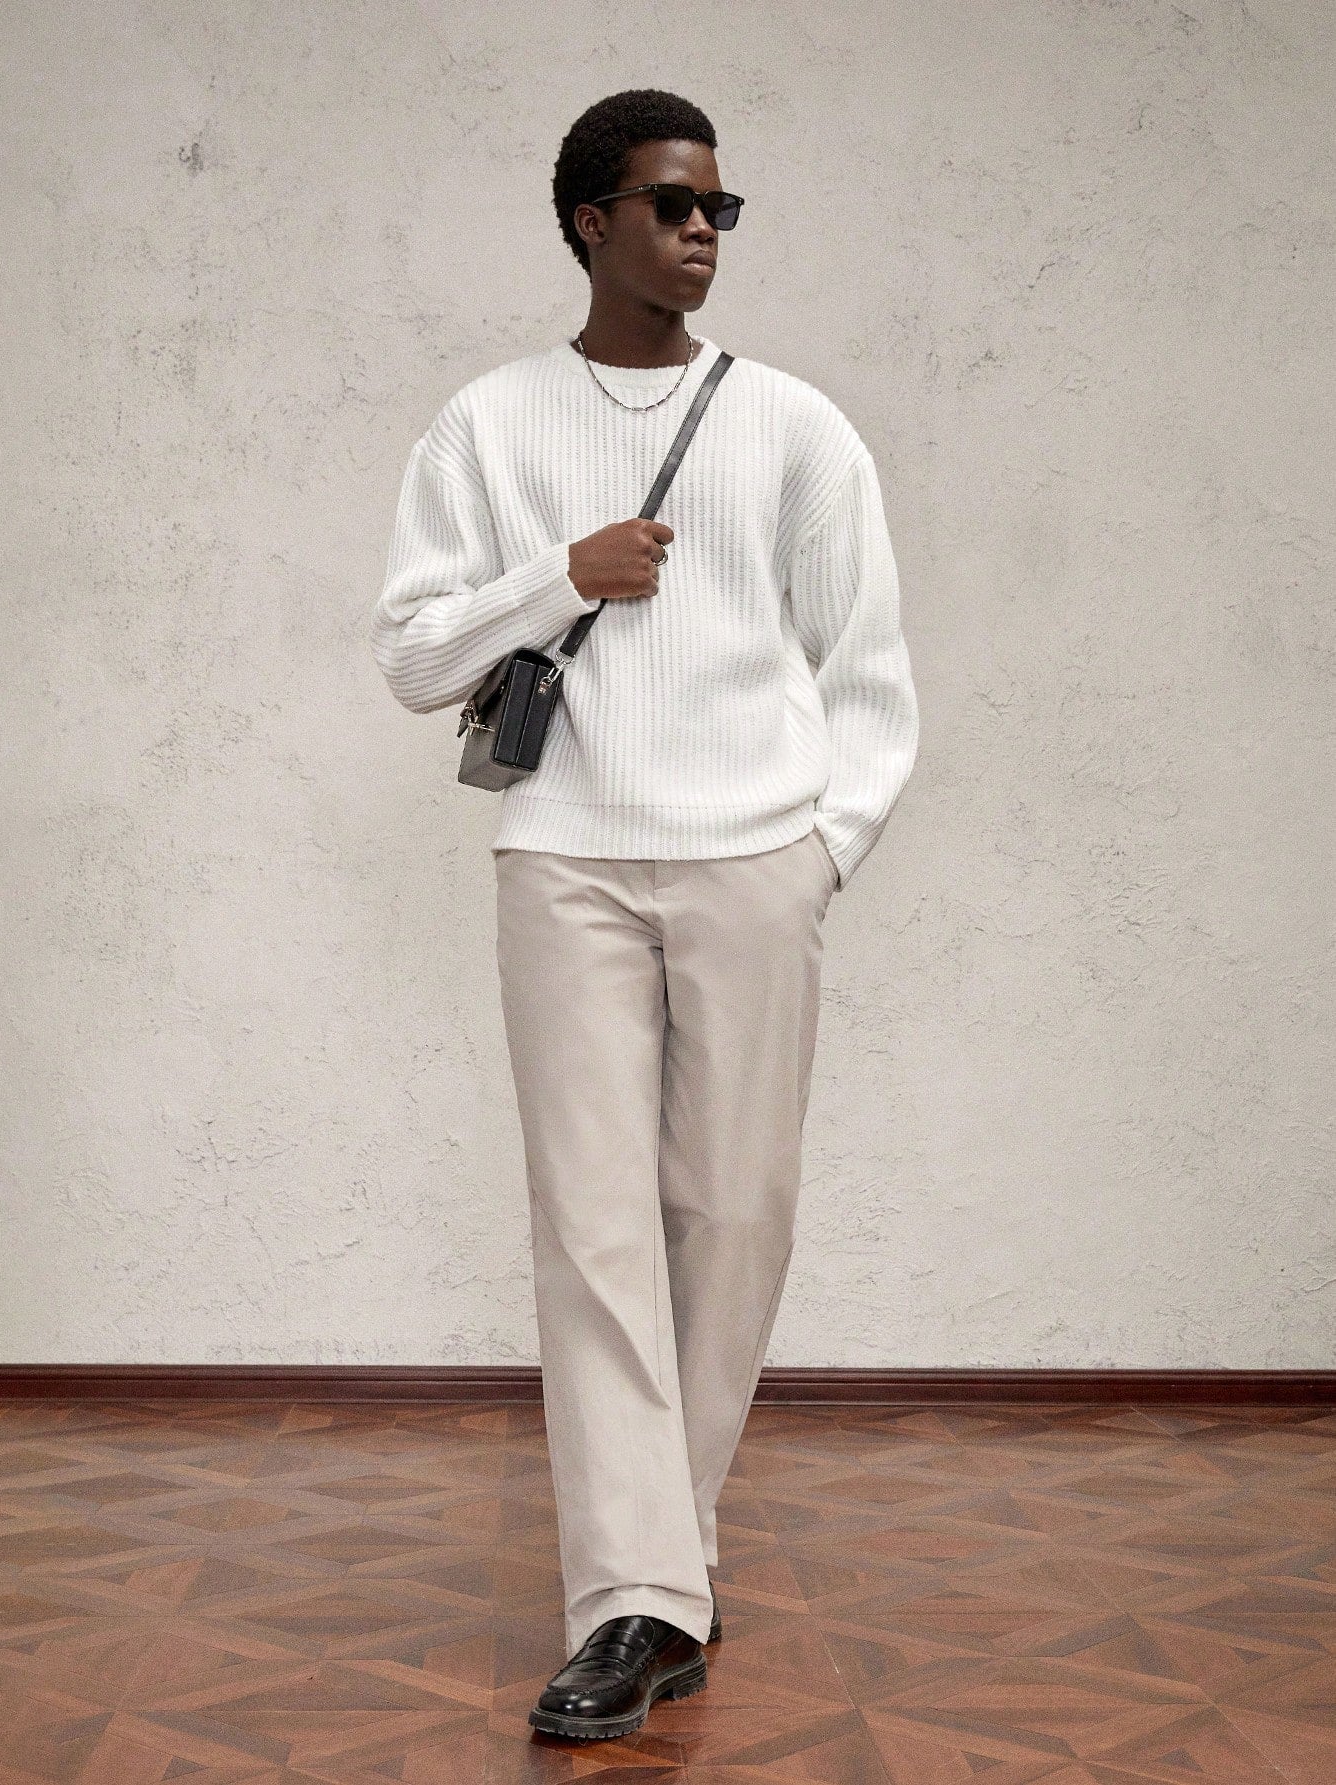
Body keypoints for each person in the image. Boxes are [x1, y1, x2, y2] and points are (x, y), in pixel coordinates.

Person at [370, 87, 919, 1744]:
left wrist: (821, 848)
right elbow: (414, 656)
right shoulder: (487, 423)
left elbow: (869, 672)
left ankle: (663, 1552)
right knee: (594, 1229)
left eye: (719, 209)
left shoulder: (796, 427)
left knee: (736, 1211)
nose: (701, 232)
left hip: (757, 858)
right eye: (673, 205)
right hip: (567, 866)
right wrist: (566, 574)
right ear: (589, 220)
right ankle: (637, 1598)